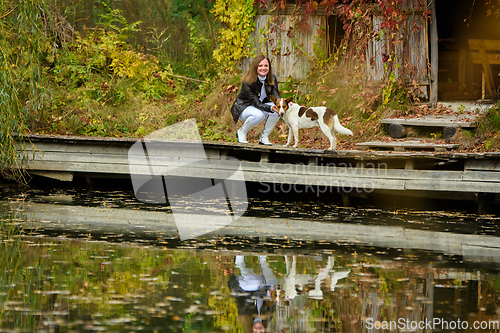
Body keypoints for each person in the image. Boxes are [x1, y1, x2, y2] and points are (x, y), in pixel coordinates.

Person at [231, 55, 281, 145]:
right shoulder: (247, 82)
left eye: (266, 66)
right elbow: (256, 103)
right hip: (244, 107)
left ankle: (264, 137)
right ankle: (241, 132)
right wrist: (270, 108)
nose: (263, 68)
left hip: (260, 105)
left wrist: (283, 103)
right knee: (259, 115)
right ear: (255, 67)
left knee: (277, 110)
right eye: (260, 66)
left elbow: (275, 94)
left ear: (269, 67)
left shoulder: (272, 78)